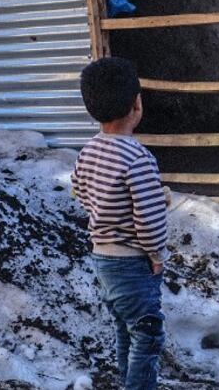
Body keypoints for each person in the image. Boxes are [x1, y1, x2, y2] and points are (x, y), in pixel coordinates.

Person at [71, 57, 169, 390]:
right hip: (132, 263)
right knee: (147, 335)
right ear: (136, 104)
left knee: (126, 329)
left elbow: (81, 191)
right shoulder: (138, 157)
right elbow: (149, 219)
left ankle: (129, 382)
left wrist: (107, 212)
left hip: (103, 258)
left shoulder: (87, 152)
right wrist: (156, 254)